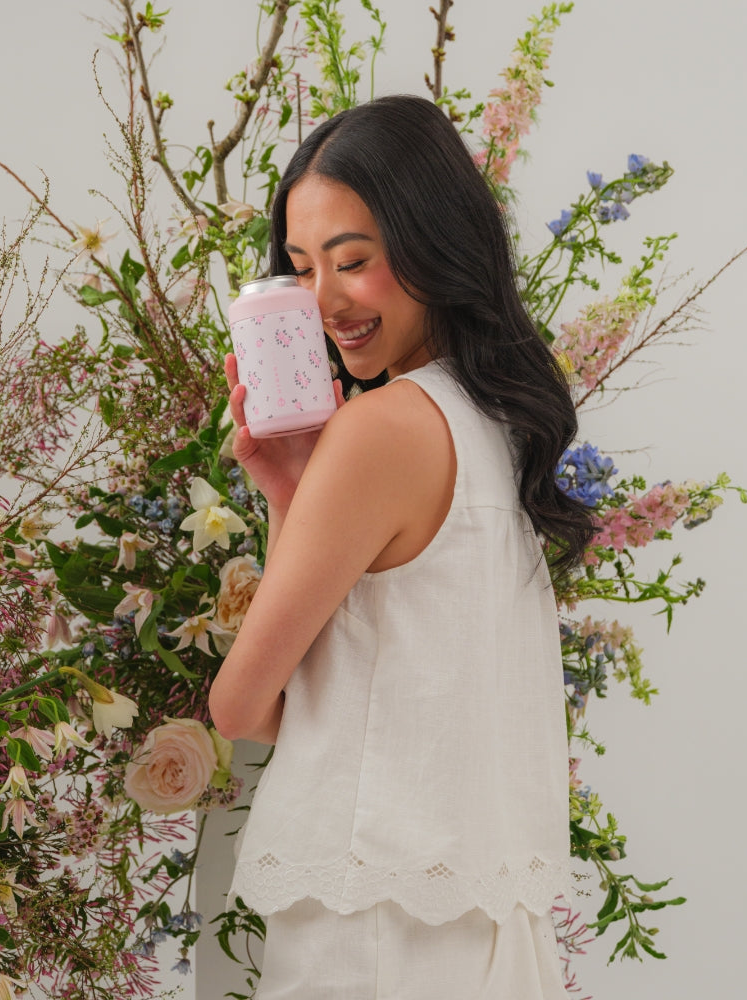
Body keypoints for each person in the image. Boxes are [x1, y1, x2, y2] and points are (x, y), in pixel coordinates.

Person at [208, 94, 594, 1000]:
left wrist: (309, 485)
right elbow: (372, 686)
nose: (323, 301)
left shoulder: (382, 429)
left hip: (370, 930)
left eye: (353, 261)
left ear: (434, 244)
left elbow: (241, 707)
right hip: (474, 927)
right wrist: (295, 494)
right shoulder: (495, 425)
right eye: (301, 267)